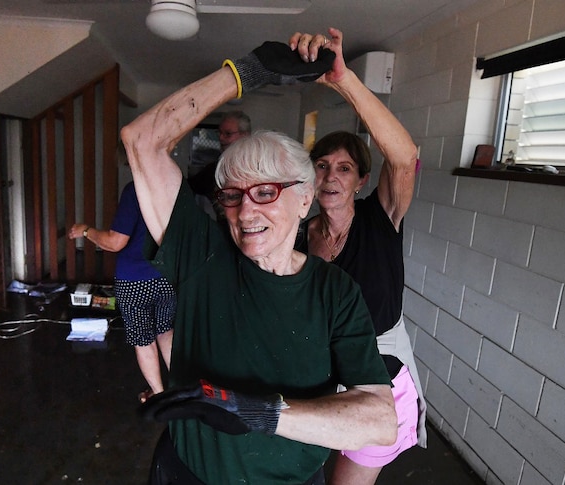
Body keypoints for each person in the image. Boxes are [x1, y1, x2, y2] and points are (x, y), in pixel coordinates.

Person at [121, 30, 397, 485]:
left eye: (266, 192)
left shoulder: (334, 291)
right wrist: (247, 72)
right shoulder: (203, 255)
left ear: (305, 198)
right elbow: (141, 140)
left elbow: (378, 419)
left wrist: (262, 412)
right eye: (231, 195)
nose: (246, 210)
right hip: (188, 474)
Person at [292, 28, 427, 485]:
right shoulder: (298, 235)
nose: (331, 175)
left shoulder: (379, 218)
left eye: (344, 167)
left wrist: (345, 81)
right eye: (322, 165)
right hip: (315, 379)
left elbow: (405, 157)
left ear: (361, 181)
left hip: (377, 384)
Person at [68, 181, 176, 403]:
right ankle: (180, 391)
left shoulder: (135, 190)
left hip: (136, 279)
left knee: (143, 339)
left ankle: (159, 394)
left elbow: (115, 242)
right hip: (167, 275)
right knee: (165, 331)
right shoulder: (173, 183)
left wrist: (86, 231)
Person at [188, 110, 252, 221]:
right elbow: (189, 186)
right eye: (219, 133)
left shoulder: (261, 167)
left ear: (244, 135)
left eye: (228, 134)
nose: (221, 138)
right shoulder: (214, 170)